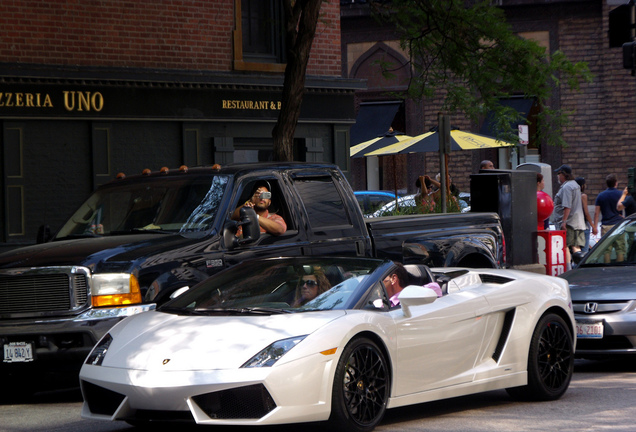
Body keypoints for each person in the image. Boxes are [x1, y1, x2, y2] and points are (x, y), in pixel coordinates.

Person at [552, 164, 586, 267]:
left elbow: (567, 206)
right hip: (577, 221)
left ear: (563, 174)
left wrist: (564, 221)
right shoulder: (575, 185)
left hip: (569, 223)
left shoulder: (567, 187)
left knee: (565, 246)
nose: (557, 176)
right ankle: (580, 268)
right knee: (576, 247)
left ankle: (568, 269)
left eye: (558, 174)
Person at [594, 173, 625, 262]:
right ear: (616, 183)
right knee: (620, 249)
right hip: (618, 224)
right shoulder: (620, 194)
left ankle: (607, 268)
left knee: (606, 250)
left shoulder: (601, 195)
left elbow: (596, 213)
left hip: (606, 226)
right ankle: (620, 268)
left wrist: (595, 227)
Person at [575, 177, 596, 254]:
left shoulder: (572, 196)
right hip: (583, 225)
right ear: (582, 186)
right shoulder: (583, 196)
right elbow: (586, 213)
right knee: (584, 249)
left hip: (574, 225)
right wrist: (593, 226)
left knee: (576, 248)